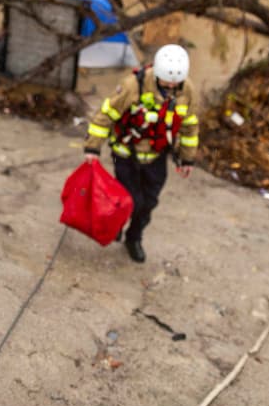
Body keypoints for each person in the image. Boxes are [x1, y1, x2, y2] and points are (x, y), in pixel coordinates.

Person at [83, 44, 199, 263]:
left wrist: (188, 158)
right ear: (157, 74)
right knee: (131, 199)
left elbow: (190, 126)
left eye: (176, 82)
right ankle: (115, 224)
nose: (171, 86)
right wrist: (93, 147)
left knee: (149, 202)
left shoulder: (187, 90)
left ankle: (133, 238)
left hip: (156, 155)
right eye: (166, 81)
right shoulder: (133, 86)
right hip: (126, 152)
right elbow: (106, 114)